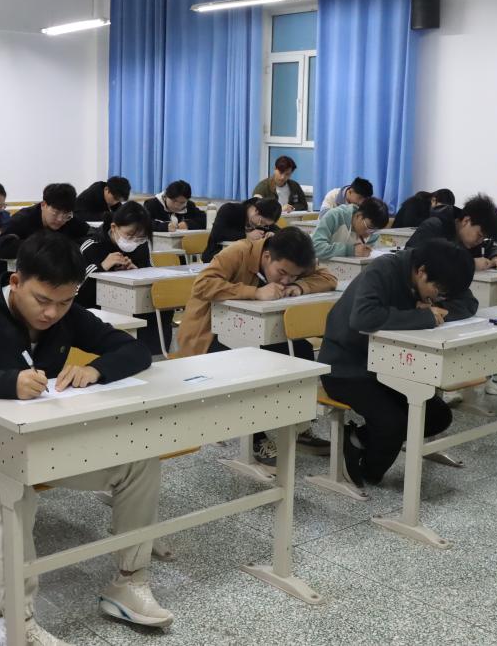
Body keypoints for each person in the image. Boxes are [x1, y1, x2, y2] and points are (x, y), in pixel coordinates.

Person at [0, 233, 170, 644]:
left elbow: (134, 351)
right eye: (42, 300)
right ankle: (21, 624)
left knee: (138, 461)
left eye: (65, 302)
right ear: (16, 282)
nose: (52, 313)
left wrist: (96, 370)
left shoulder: (66, 312)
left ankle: (129, 582)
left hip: (44, 439)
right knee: (5, 496)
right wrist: (4, 383)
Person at [318, 239, 478, 486]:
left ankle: (358, 439)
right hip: (346, 367)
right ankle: (364, 472)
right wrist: (422, 316)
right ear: (421, 271)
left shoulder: (442, 273)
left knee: (437, 416)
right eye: (437, 292)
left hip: (393, 366)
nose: (438, 297)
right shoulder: (383, 270)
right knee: (392, 423)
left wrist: (439, 308)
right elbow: (362, 317)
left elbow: (469, 304)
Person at [176, 228, 338, 465]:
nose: (285, 280)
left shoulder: (295, 262)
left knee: (300, 351)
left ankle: (298, 423)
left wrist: (300, 286)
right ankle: (256, 437)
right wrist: (254, 292)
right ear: (267, 256)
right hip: (209, 334)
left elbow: (328, 279)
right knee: (249, 365)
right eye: (282, 273)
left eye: (293, 276)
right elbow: (202, 285)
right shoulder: (239, 252)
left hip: (259, 334)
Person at [406, 195, 497, 398]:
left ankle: (475, 375)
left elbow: (489, 245)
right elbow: (413, 260)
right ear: (466, 221)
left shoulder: (470, 235)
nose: (480, 241)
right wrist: (470, 262)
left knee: (471, 308)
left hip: (445, 292)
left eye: (483, 238)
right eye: (479, 235)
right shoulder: (435, 227)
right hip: (421, 292)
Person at [79, 202, 173, 356]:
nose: (134, 242)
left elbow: (149, 272)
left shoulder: (141, 245)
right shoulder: (92, 246)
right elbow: (77, 292)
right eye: (129, 235)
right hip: (97, 308)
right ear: (114, 227)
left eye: (140, 238)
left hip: (132, 304)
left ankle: (153, 355)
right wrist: (102, 267)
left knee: (160, 307)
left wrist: (136, 272)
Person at [0, 183, 90, 261]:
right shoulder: (23, 218)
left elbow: (91, 237)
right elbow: (3, 248)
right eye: (55, 213)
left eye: (66, 214)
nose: (60, 219)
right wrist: (44, 245)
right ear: (43, 205)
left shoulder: (71, 219)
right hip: (14, 273)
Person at [203, 197, 282, 263]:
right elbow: (217, 234)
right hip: (217, 256)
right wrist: (247, 235)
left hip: (247, 260)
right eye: (261, 221)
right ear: (256, 211)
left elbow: (279, 231)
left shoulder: (264, 220)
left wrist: (272, 234)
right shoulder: (229, 210)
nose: (261, 225)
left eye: (266, 225)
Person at [311, 197, 390, 261]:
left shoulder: (373, 233)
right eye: (369, 227)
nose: (370, 233)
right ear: (359, 216)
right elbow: (315, 248)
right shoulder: (335, 216)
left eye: (375, 230)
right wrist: (351, 250)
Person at [143, 180, 207, 233]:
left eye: (182, 202)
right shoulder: (152, 204)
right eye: (174, 201)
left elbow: (204, 219)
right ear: (165, 196)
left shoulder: (189, 206)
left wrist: (188, 224)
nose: (177, 206)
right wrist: (164, 227)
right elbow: (143, 223)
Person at [391, 188, 455, 228]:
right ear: (433, 200)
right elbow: (409, 223)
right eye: (440, 207)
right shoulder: (415, 202)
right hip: (397, 235)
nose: (442, 210)